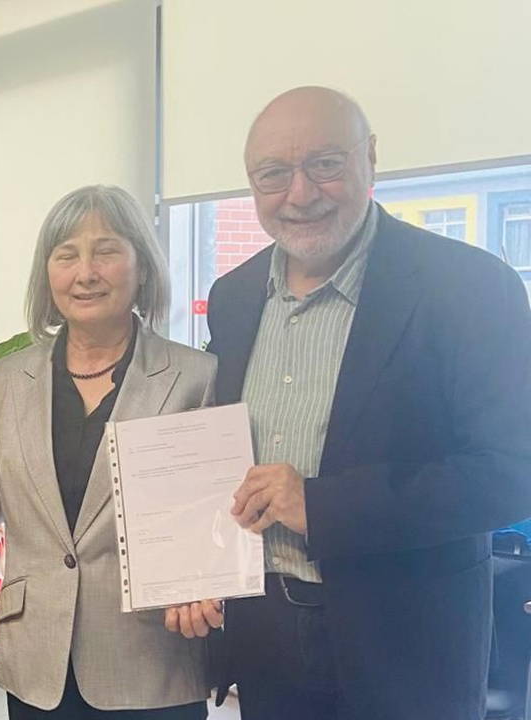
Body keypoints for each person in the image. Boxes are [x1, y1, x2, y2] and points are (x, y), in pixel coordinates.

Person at [203, 86, 531, 719]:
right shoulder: (234, 296)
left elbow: (512, 472)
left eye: (325, 163)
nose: (300, 193)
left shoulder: (470, 285)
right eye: (273, 174)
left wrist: (321, 505)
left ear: (370, 157)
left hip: (410, 649)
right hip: (266, 642)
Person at [0, 185, 219, 719]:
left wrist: (206, 582)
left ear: (142, 266)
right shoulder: (4, 381)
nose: (86, 272)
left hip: (152, 657)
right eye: (66, 255)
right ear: (47, 275)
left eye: (106, 251)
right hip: (37, 663)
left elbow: (216, 517)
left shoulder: (196, 377)